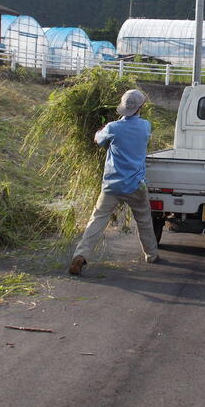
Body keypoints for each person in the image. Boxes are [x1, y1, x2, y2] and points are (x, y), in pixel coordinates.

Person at [68, 89, 159, 275]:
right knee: (144, 220)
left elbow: (98, 140)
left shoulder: (113, 127)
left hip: (112, 185)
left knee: (97, 219)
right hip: (136, 185)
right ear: (141, 107)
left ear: (123, 107)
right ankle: (151, 254)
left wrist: (100, 130)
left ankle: (81, 255)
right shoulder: (145, 126)